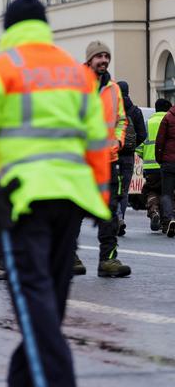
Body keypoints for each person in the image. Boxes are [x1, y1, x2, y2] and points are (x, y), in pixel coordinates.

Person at [0, 0, 110, 387]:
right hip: (71, 201)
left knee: (35, 308)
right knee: (46, 312)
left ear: (9, 29)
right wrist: (99, 200)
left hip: (23, 203)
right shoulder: (75, 73)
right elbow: (97, 143)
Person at [79, 41, 131, 277]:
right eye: (99, 56)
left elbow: (121, 120)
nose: (104, 60)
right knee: (73, 210)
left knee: (109, 211)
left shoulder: (113, 89)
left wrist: (118, 141)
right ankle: (68, 256)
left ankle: (108, 260)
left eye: (106, 56)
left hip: (108, 161)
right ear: (89, 60)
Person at [116, 81, 146, 236]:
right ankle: (121, 217)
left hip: (113, 155)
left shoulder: (112, 109)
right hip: (128, 156)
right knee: (124, 190)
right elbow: (143, 135)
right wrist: (132, 145)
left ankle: (116, 217)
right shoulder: (136, 111)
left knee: (113, 187)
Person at [137, 99, 172, 231]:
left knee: (151, 191)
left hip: (150, 168)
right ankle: (167, 221)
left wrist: (145, 156)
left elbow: (139, 147)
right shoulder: (171, 121)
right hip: (168, 164)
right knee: (168, 192)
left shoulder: (148, 123)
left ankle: (154, 212)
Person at [155, 99, 175, 237]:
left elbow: (160, 140)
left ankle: (168, 220)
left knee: (167, 193)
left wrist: (159, 158)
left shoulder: (167, 117)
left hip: (168, 162)